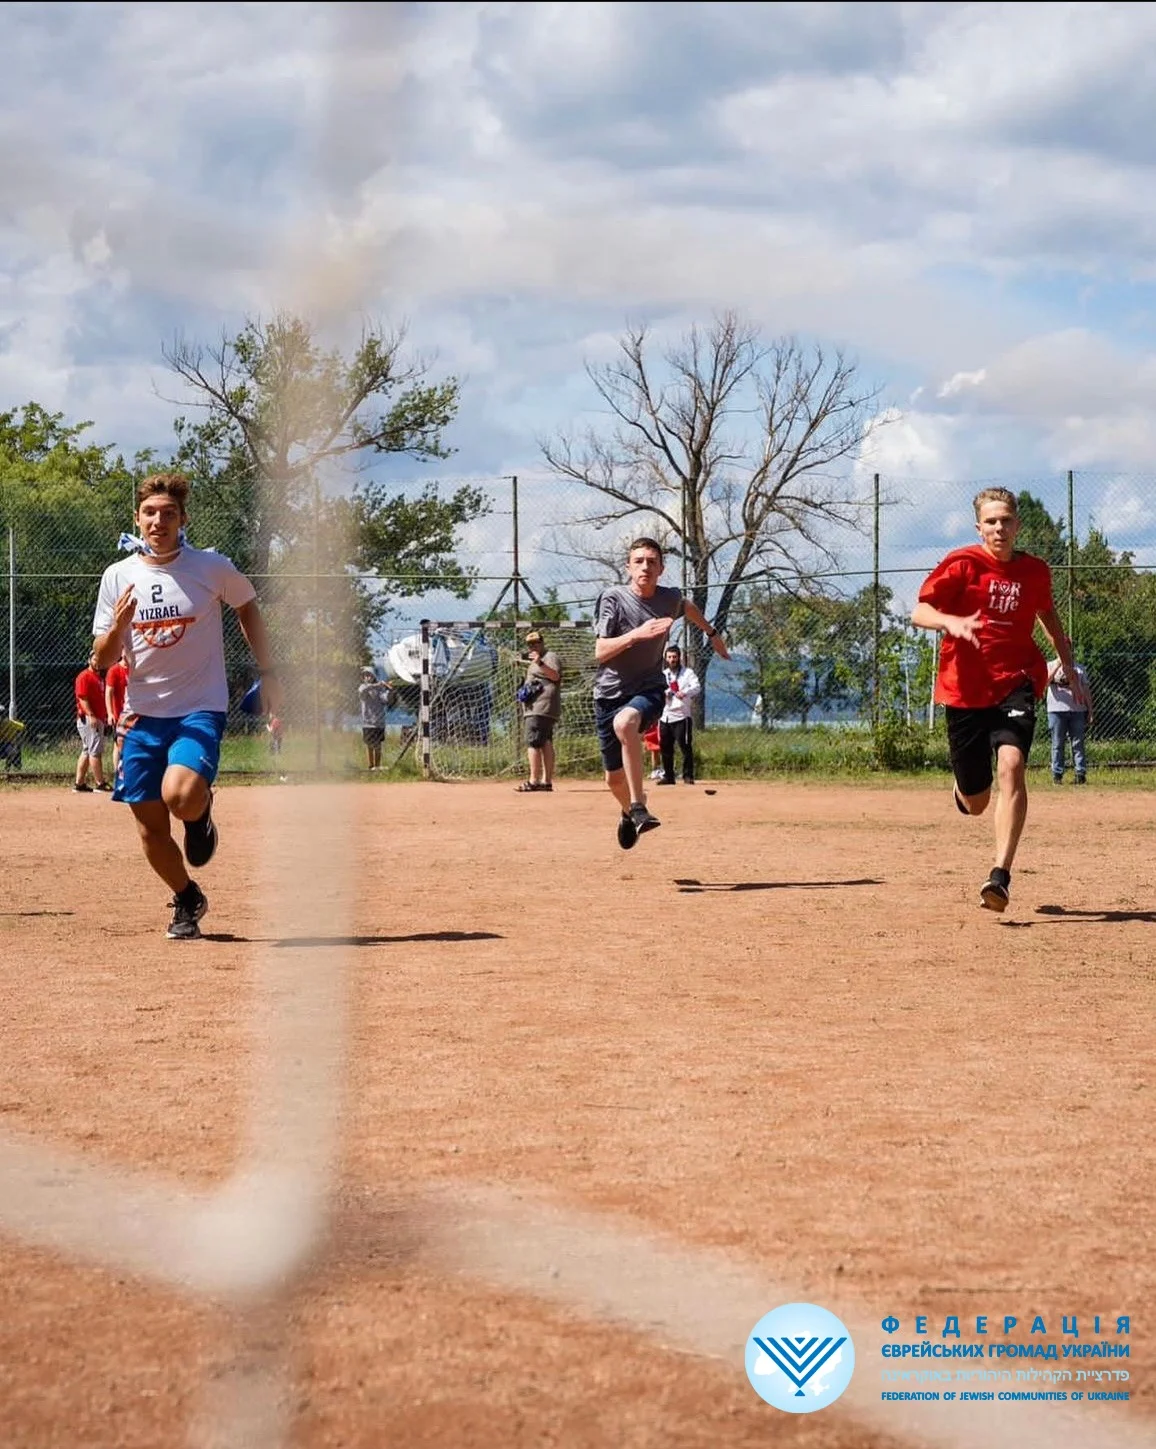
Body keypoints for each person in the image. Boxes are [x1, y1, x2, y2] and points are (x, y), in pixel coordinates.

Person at [92, 472, 281, 941]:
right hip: (141, 715)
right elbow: (101, 661)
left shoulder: (210, 567)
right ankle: (187, 897)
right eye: (150, 513)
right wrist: (118, 628)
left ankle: (200, 814)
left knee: (181, 795)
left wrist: (270, 670)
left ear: (182, 519)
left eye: (169, 513)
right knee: (150, 830)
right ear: (136, 519)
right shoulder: (118, 577)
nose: (159, 521)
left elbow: (248, 607)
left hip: (199, 706)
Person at [911, 487, 1086, 913]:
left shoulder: (1035, 572)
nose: (999, 528)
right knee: (976, 803)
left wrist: (1069, 667)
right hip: (965, 689)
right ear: (979, 527)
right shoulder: (962, 564)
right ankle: (964, 787)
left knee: (1012, 764)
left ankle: (999, 876)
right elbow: (920, 612)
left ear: (1017, 524)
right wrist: (950, 622)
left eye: (1006, 519)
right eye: (991, 521)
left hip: (1016, 680)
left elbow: (1049, 619)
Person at [594, 537, 728, 850]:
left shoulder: (669, 599)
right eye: (638, 561)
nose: (645, 566)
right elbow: (600, 651)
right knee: (613, 780)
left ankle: (640, 807)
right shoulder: (613, 598)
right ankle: (628, 813)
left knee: (626, 723)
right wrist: (636, 635)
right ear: (628, 567)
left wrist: (712, 634)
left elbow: (687, 607)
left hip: (649, 688)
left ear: (661, 569)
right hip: (608, 694)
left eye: (651, 561)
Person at [515, 629, 562, 793]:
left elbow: (555, 676)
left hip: (541, 707)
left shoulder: (549, 657)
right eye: (530, 644)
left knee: (533, 742)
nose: (533, 646)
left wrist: (539, 662)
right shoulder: (536, 660)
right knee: (545, 742)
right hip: (538, 707)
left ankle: (533, 780)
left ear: (542, 643)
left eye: (536, 643)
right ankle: (546, 781)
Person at [657, 643, 701, 784]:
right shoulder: (663, 675)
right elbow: (657, 689)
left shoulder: (688, 673)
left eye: (674, 657)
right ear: (666, 659)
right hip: (665, 716)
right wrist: (665, 693)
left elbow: (696, 687)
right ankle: (668, 776)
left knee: (685, 746)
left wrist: (685, 692)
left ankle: (688, 775)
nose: (672, 660)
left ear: (679, 658)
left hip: (682, 716)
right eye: (669, 657)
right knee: (665, 747)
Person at [1046, 657, 1093, 785]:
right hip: (1056, 711)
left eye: (1068, 649)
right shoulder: (1050, 665)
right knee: (1057, 744)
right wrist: (1057, 666)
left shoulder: (1079, 668)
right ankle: (1057, 775)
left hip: (1077, 710)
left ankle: (1080, 774)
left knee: (1078, 743)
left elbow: (1086, 690)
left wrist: (1090, 710)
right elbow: (1045, 682)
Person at [74, 652, 110, 792]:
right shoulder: (85, 676)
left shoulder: (98, 678)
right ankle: (100, 783)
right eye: (95, 659)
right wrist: (91, 715)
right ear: (89, 660)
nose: (97, 662)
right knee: (95, 751)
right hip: (90, 719)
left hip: (97, 718)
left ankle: (79, 783)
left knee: (87, 750)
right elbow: (82, 698)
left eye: (100, 660)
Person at [359, 666, 392, 770]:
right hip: (368, 722)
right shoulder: (363, 687)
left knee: (377, 745)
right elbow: (363, 691)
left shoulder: (380, 690)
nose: (367, 677)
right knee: (369, 744)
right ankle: (371, 765)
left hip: (379, 722)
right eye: (365, 676)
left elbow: (386, 699)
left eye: (369, 675)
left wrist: (389, 690)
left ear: (373, 676)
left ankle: (377, 766)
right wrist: (377, 685)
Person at [105, 648, 130, 778]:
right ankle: (118, 773)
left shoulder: (135, 669)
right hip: (119, 714)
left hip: (134, 713)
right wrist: (110, 713)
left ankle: (129, 772)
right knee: (118, 744)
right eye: (124, 651)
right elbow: (108, 692)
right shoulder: (114, 670)